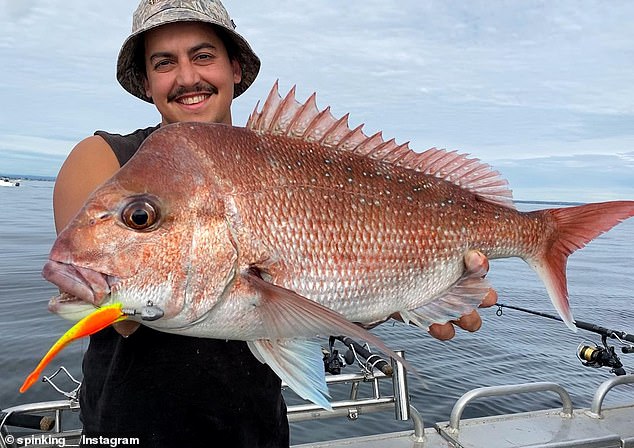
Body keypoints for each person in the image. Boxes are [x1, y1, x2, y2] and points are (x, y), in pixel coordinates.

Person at [52, 0, 496, 446]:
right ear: (147, 83)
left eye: (203, 55)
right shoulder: (105, 158)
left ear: (236, 68)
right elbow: (113, 312)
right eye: (164, 63)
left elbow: (321, 295)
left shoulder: (293, 157)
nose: (187, 77)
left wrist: (405, 298)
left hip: (258, 432)